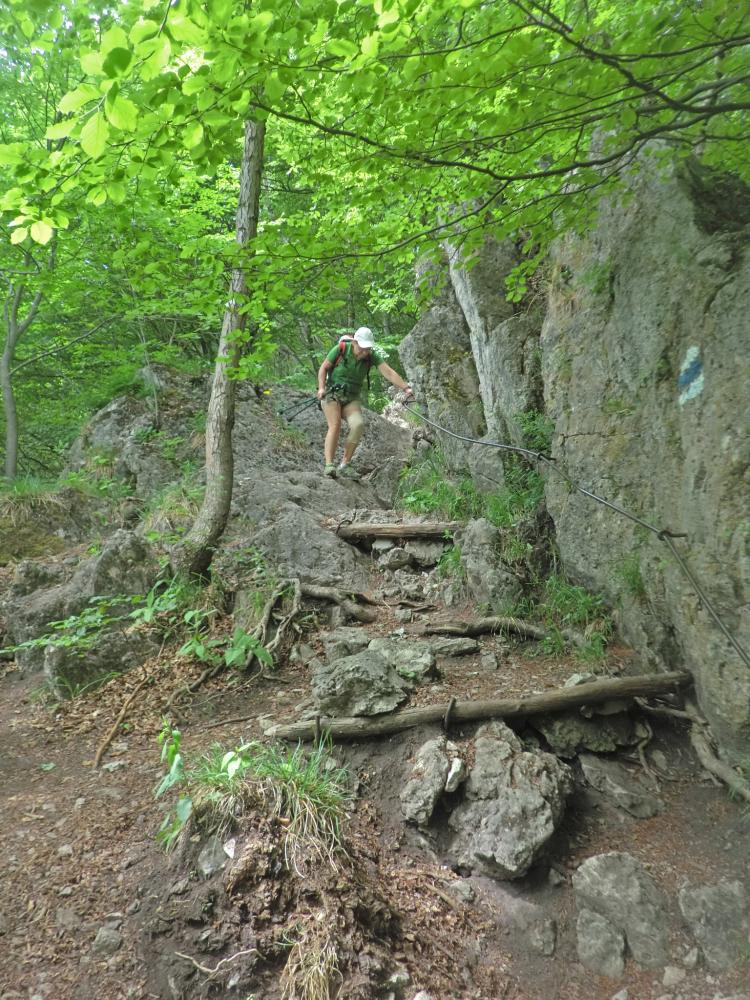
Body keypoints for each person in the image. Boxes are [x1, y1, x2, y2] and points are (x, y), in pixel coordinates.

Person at [316, 326, 413, 478]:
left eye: (368, 348)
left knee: (358, 424)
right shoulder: (341, 349)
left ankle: (345, 464)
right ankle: (329, 465)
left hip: (351, 398)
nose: (365, 352)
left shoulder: (371, 356)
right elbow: (323, 369)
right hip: (331, 394)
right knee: (335, 425)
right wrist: (321, 388)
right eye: (362, 348)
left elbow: (388, 372)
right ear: (354, 342)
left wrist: (406, 388)